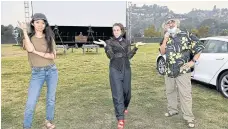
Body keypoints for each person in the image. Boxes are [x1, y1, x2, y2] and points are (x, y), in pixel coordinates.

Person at [94, 23, 145, 129]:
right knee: (117, 93)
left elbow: (128, 56)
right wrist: (105, 46)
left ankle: (125, 106)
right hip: (114, 69)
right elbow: (110, 56)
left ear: (121, 31)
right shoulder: (110, 42)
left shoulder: (126, 42)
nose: (116, 32)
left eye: (117, 30)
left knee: (127, 92)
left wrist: (135, 47)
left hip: (126, 68)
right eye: (114, 30)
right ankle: (120, 118)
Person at [160, 19, 205, 128]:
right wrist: (165, 39)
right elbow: (162, 52)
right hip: (169, 70)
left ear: (177, 23)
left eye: (172, 22)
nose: (170, 24)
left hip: (183, 70)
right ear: (165, 26)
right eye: (168, 23)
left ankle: (189, 117)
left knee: (185, 94)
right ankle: (173, 110)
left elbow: (199, 47)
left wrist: (192, 62)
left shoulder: (186, 35)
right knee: (170, 91)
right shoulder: (166, 36)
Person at [18, 13, 58, 129]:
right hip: (37, 73)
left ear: (45, 24)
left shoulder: (49, 38)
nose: (40, 25)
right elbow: (30, 48)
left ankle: (48, 121)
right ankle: (27, 126)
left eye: (42, 22)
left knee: (50, 99)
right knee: (31, 102)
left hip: (52, 71)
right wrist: (24, 31)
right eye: (37, 22)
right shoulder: (29, 38)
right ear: (32, 23)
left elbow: (52, 56)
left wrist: (36, 52)